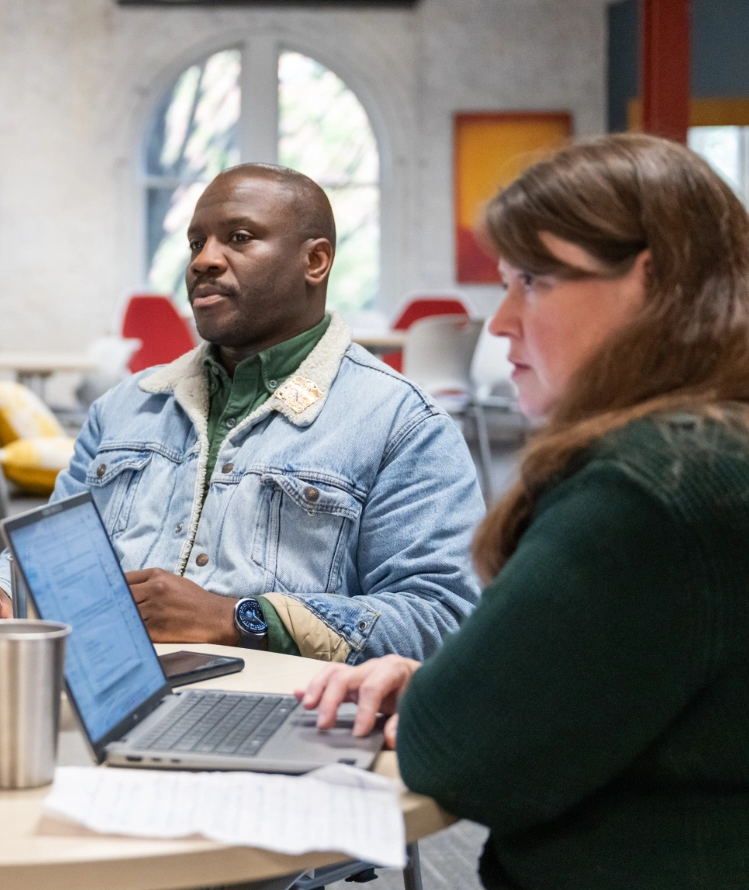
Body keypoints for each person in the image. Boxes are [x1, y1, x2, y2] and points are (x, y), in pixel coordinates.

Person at [300, 133, 749, 889]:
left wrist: (453, 700)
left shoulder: (650, 486)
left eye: (533, 282)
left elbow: (453, 758)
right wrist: (464, 684)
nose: (501, 321)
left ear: (653, 279)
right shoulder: (715, 445)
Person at [0, 164, 486, 663]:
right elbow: (49, 563)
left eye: (239, 238)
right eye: (197, 242)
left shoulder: (402, 425)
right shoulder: (122, 410)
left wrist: (237, 620)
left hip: (277, 720)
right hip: (98, 698)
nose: (203, 259)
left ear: (314, 261)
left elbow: (442, 618)